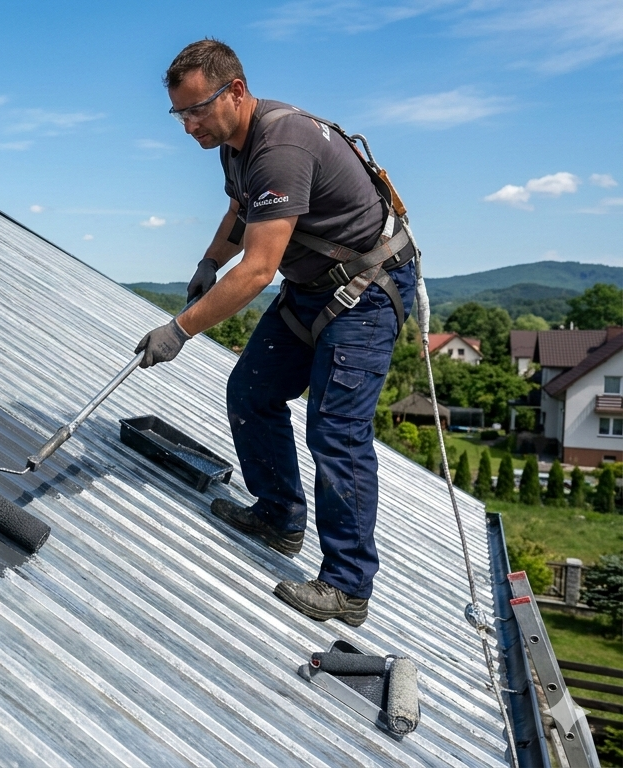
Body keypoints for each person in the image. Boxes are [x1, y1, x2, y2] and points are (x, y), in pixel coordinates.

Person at [135, 39, 417, 627]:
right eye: (179, 114)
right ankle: (279, 517)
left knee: (335, 432)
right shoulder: (233, 145)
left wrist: (180, 329)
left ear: (235, 91)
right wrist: (209, 261)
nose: (189, 127)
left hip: (364, 292)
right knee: (252, 391)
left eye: (197, 109)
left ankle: (347, 586)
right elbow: (244, 210)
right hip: (312, 290)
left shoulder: (281, 145)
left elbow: (260, 269)